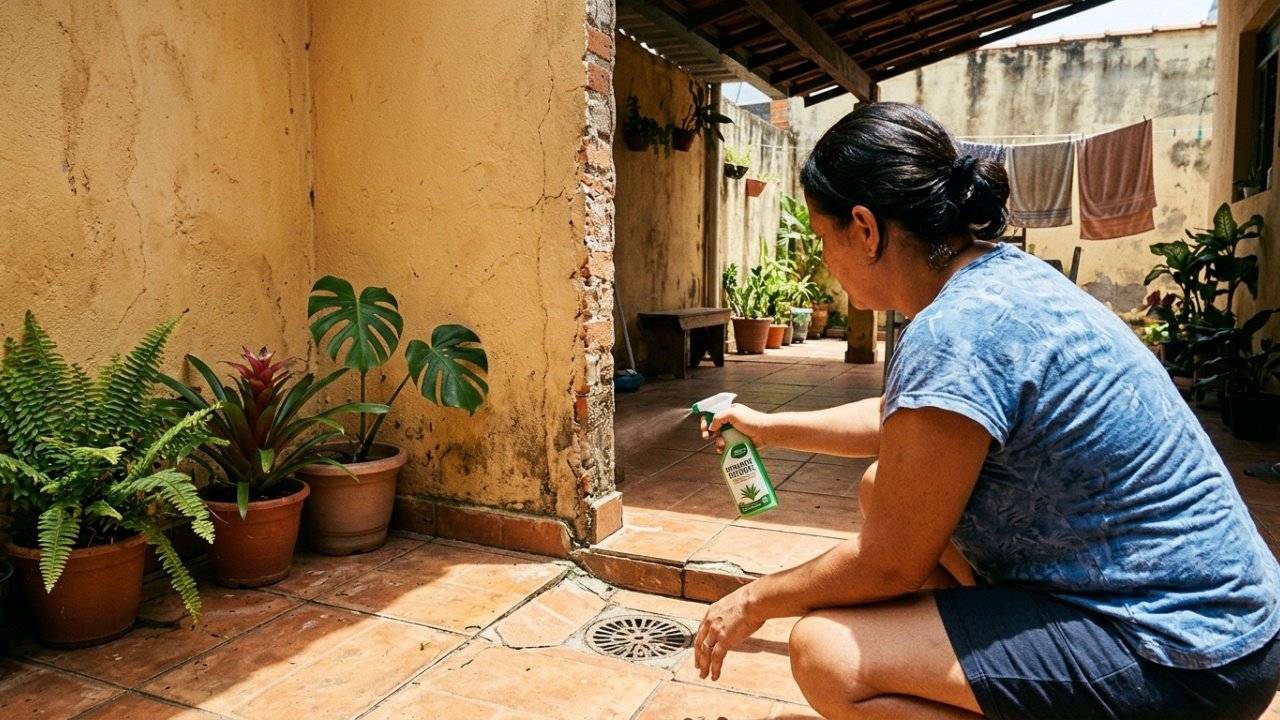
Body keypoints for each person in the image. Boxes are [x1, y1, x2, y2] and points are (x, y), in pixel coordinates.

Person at [693, 102, 1280, 720]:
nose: (824, 258)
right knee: (879, 488)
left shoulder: (954, 329)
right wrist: (765, 425)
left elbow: (889, 564)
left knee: (825, 652)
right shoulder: (999, 276)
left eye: (822, 237)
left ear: (865, 229)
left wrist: (753, 600)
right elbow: (904, 419)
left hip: (1184, 655)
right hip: (1232, 622)